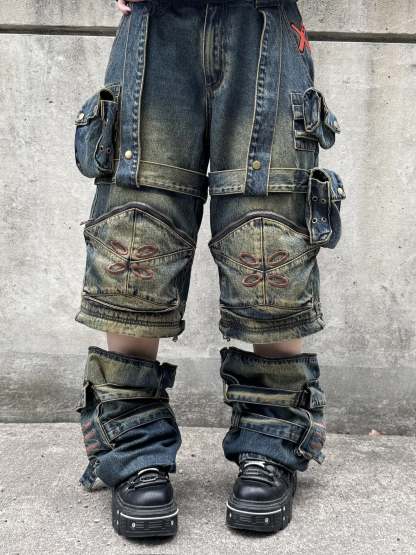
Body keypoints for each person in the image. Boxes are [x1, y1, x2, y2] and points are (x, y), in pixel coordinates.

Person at [73, 0, 345, 539]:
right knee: (137, 232)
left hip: (264, 23)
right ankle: (134, 448)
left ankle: (270, 445)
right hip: (155, 23)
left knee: (268, 234)